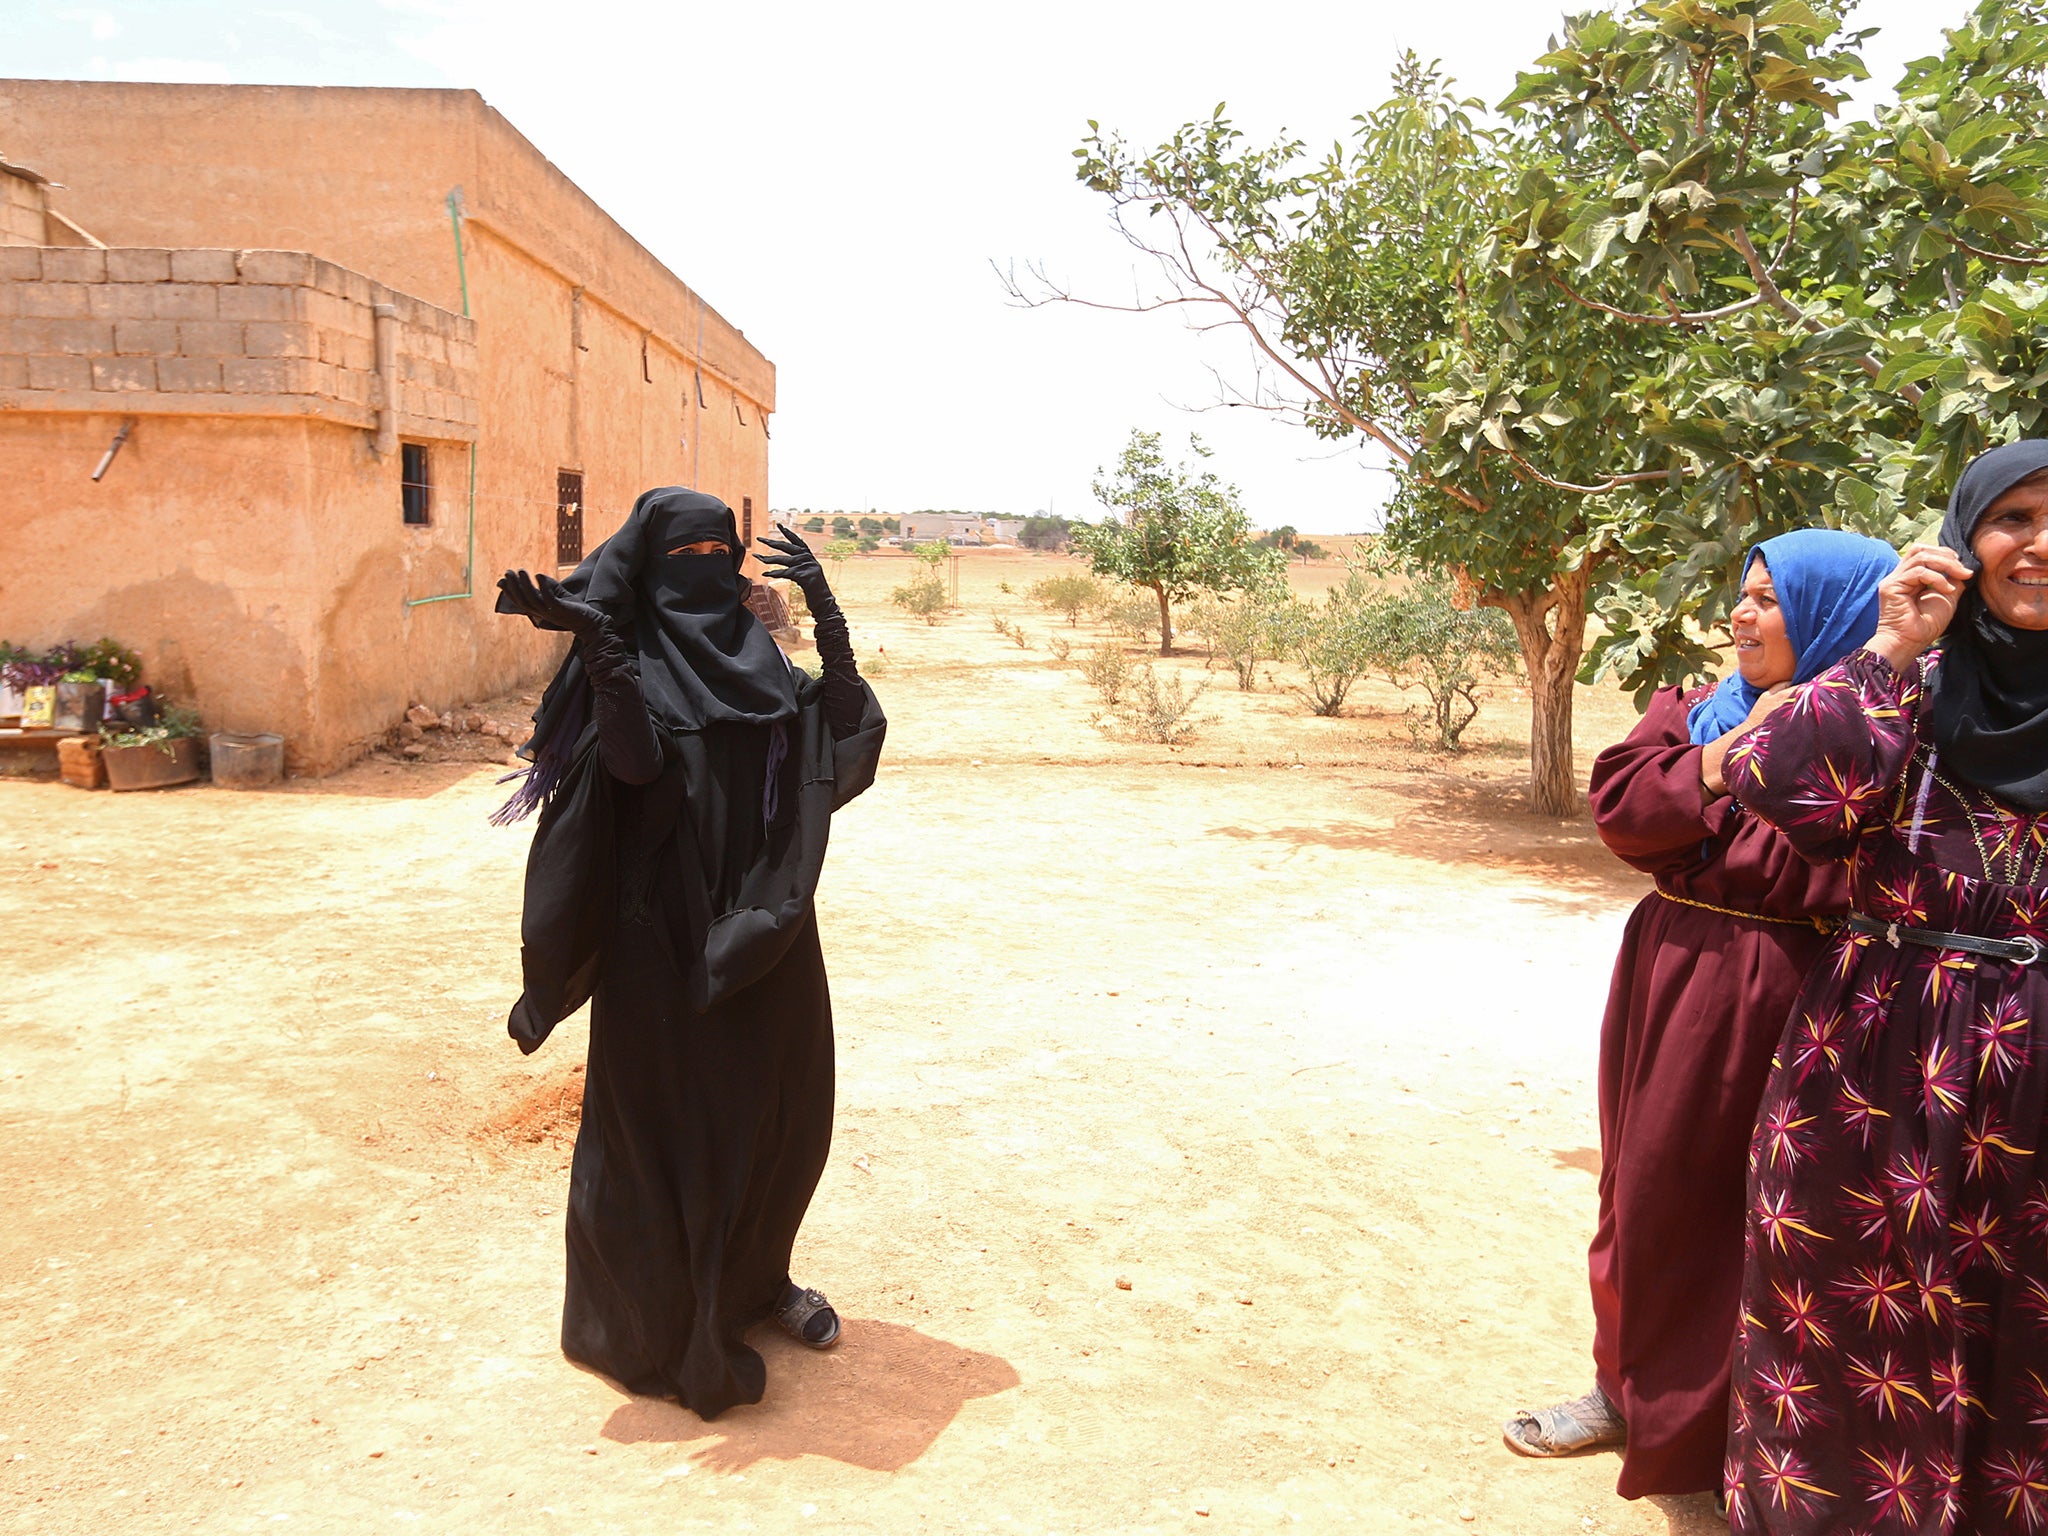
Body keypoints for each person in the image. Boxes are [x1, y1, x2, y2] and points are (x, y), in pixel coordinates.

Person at [1504, 530, 1899, 1501]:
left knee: (1783, 1216)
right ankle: (1623, 1397)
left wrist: (1800, 736)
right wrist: (1728, 758)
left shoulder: (1879, 736)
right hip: (1672, 970)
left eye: (1768, 600)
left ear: (1830, 615)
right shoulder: (1693, 710)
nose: (1740, 614)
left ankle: (1758, 1438)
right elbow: (1621, 812)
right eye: (1740, 594)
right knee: (1643, 1189)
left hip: (1806, 991)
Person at [493, 488, 885, 1421]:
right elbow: (633, 768)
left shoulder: (759, 661)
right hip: (662, 947)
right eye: (686, 550)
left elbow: (840, 734)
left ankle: (757, 1285)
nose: (706, 563)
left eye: (722, 547)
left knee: (778, 1122)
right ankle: (661, 1317)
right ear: (649, 560)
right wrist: (597, 640)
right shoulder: (617, 666)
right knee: (667, 1136)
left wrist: (830, 620)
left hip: (769, 932)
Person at [1717, 442, 2048, 1532]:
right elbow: (1788, 792)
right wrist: (1890, 643)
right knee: (1859, 1328)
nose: (2036, 544)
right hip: (1878, 1056)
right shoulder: (1914, 677)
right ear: (1962, 541)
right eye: (2010, 519)